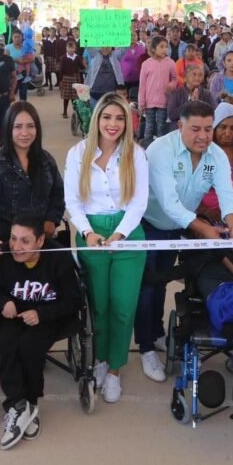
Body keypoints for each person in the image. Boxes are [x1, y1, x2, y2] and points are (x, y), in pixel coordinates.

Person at [137, 101, 233, 383]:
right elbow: (169, 203)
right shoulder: (160, 150)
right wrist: (204, 229)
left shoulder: (216, 156)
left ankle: (157, 333)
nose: (203, 136)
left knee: (161, 281)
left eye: (208, 129)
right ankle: (145, 348)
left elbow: (227, 194)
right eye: (195, 129)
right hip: (148, 224)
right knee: (147, 286)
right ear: (180, 126)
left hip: (176, 228)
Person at [63, 94, 148, 403]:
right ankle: (99, 359)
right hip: (92, 233)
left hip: (128, 233)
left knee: (123, 306)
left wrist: (120, 234)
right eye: (107, 117)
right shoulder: (78, 153)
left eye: (120, 118)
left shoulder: (136, 154)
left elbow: (139, 201)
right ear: (97, 119)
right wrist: (87, 232)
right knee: (98, 305)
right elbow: (72, 200)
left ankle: (114, 369)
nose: (113, 124)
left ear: (127, 122)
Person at [0, 214, 82, 449]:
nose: (16, 246)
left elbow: (73, 301)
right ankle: (20, 406)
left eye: (25, 241)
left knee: (30, 345)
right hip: (13, 315)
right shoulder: (4, 256)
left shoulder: (59, 258)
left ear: (40, 241)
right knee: (6, 342)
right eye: (13, 238)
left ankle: (27, 403)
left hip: (49, 316)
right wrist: (3, 303)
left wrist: (42, 314)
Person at [0, 102, 65, 258]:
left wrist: (51, 220)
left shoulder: (47, 161)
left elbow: (57, 194)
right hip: (8, 242)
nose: (24, 133)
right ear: (8, 129)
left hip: (41, 240)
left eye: (30, 126)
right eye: (18, 127)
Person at [137, 36, 177, 146]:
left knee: (161, 127)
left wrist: (171, 85)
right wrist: (141, 102)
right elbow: (142, 85)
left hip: (163, 101)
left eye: (166, 47)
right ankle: (147, 148)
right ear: (153, 48)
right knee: (149, 126)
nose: (164, 49)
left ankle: (160, 148)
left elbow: (175, 79)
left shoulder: (170, 63)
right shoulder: (146, 64)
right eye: (161, 47)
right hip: (149, 102)